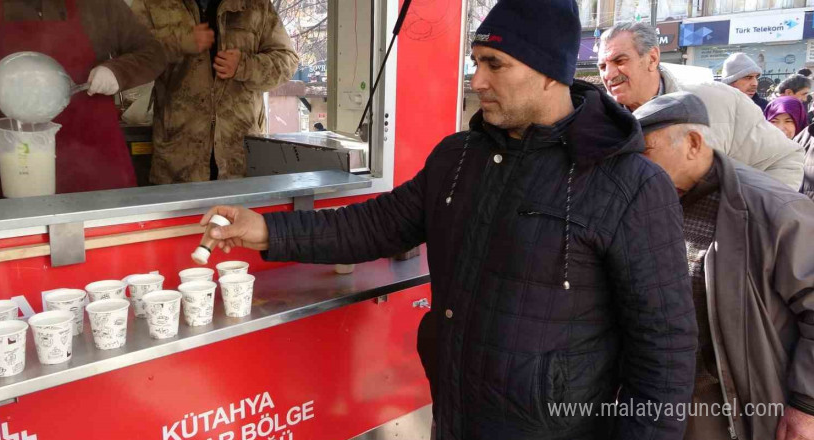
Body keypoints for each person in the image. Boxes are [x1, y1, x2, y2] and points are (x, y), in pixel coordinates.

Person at [198, 2, 696, 439]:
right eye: (476, 62)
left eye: (494, 64)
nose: (476, 81)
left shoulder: (628, 184)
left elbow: (664, 355)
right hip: (457, 414)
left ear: (551, 71)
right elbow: (375, 225)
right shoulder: (459, 158)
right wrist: (265, 229)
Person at [634, 91, 814, 440]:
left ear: (692, 142)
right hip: (672, 403)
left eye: (644, 154)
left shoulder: (775, 212)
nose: (634, 168)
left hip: (747, 406)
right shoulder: (655, 201)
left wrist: (807, 406)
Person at [0, 0, 166, 196]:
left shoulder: (97, 4)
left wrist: (118, 71)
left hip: (100, 168)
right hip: (22, 166)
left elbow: (152, 52)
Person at [597, 22, 804, 188]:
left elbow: (784, 160)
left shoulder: (718, 100)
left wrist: (746, 224)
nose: (609, 74)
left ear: (652, 58)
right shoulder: (595, 122)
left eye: (620, 61)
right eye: (603, 66)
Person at [133, 0, 299, 184]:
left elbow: (287, 61)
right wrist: (179, 42)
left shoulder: (254, 4)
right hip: (177, 165)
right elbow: (129, 58)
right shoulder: (153, 4)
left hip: (239, 163)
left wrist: (244, 66)